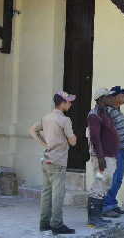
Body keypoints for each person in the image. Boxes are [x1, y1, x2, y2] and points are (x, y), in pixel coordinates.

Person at [29, 91, 77, 235]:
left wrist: (44, 144)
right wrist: (74, 137)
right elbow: (72, 142)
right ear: (62, 103)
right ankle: (57, 224)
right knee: (58, 194)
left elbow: (32, 130)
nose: (70, 104)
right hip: (58, 161)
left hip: (47, 159)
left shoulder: (46, 118)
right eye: (68, 101)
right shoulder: (65, 120)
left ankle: (44, 224)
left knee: (46, 193)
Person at [86, 88, 120, 228]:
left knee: (105, 184)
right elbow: (94, 137)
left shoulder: (104, 113)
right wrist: (101, 158)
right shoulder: (94, 115)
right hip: (102, 158)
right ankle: (93, 218)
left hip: (109, 156)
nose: (111, 99)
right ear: (101, 99)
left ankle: (98, 216)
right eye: (108, 97)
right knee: (99, 184)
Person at [102, 86, 124, 218]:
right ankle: (106, 206)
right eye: (122, 95)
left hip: (121, 150)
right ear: (114, 97)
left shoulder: (117, 111)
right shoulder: (108, 111)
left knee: (118, 179)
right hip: (114, 151)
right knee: (113, 179)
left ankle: (112, 204)